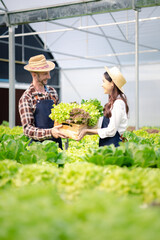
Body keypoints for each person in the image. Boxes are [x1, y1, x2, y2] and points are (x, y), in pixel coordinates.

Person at [19, 54, 67, 148]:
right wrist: (51, 132)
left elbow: (59, 118)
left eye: (48, 73)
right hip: (39, 149)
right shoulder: (27, 97)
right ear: (34, 75)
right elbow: (27, 130)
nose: (49, 76)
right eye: (45, 73)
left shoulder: (52, 92)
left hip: (57, 145)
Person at [77, 66, 129, 147]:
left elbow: (111, 131)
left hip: (113, 146)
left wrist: (86, 130)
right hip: (109, 144)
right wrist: (86, 131)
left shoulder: (118, 104)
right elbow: (105, 130)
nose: (102, 85)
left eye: (103, 81)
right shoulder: (114, 102)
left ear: (112, 83)